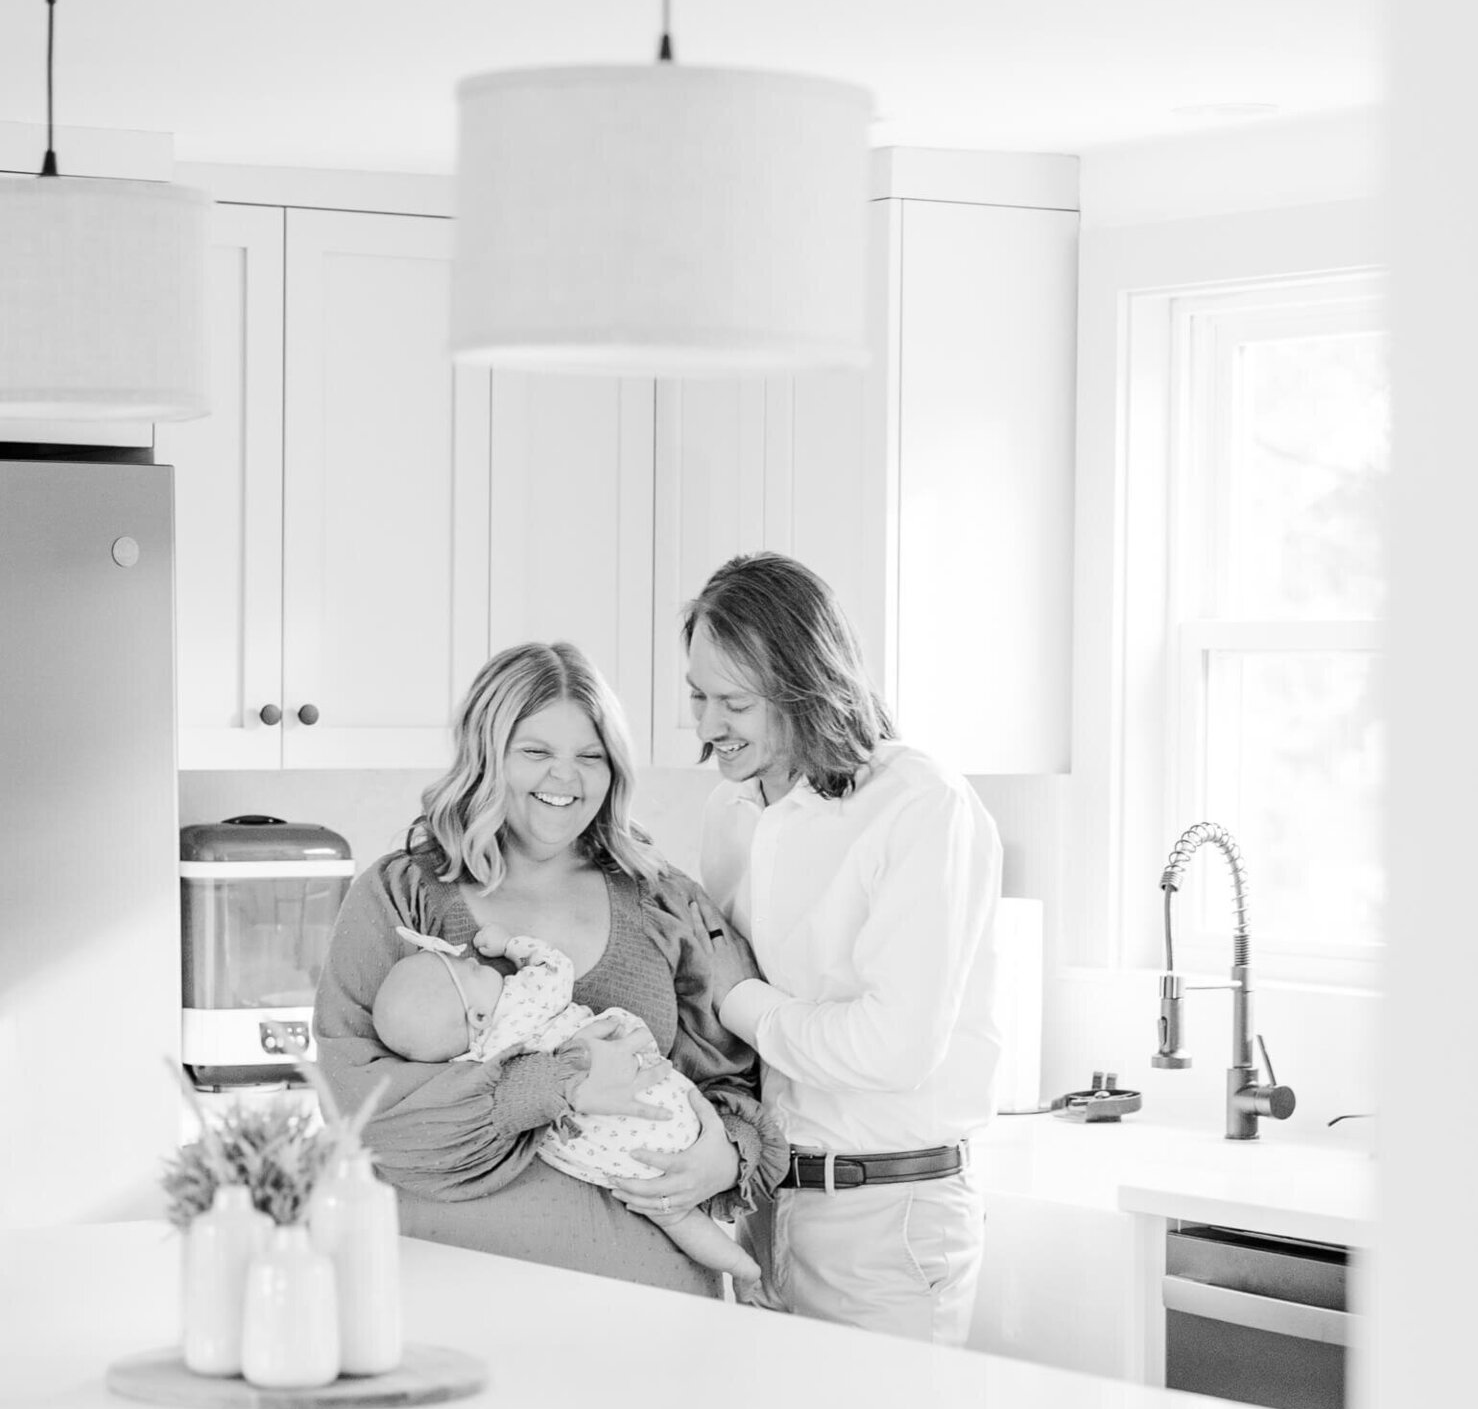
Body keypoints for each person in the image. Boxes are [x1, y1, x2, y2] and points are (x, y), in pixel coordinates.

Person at [311, 641, 787, 1299]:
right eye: (535, 752)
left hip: (649, 1314)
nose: (566, 779)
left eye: (590, 756)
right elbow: (358, 1108)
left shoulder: (663, 900)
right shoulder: (402, 897)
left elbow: (739, 1077)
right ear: (488, 754)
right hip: (452, 1300)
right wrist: (548, 1083)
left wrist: (724, 1156)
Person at [675, 551, 1003, 1345]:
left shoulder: (917, 805)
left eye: (735, 703)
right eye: (697, 697)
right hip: (768, 1209)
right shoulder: (732, 813)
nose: (709, 725)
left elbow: (892, 1050)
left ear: (803, 685)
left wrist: (736, 998)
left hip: (889, 1222)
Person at [368, 925, 761, 1282]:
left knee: (672, 1214)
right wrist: (511, 944)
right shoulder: (522, 998)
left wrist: (729, 1159)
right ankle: (746, 1268)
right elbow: (555, 965)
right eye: (470, 970)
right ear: (479, 1014)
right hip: (656, 1106)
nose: (474, 959)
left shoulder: (472, 1064)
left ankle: (739, 1266)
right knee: (667, 1181)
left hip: (600, 1151)